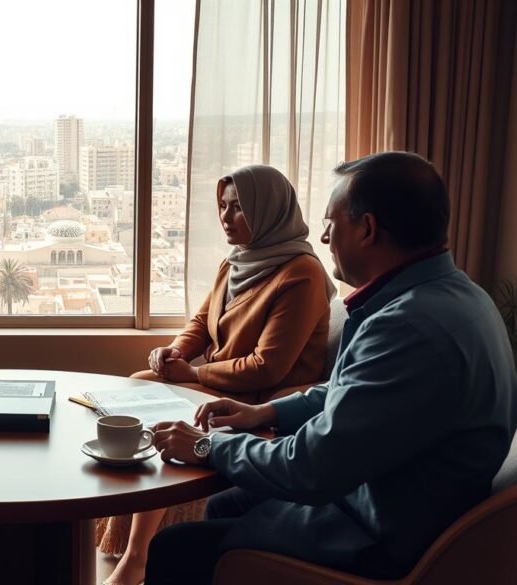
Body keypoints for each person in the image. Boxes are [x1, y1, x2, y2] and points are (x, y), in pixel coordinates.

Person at [144, 152, 517, 584]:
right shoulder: (458, 295)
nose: (322, 237)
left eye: (330, 222)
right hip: (395, 497)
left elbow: (310, 467)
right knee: (229, 504)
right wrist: (267, 414)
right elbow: (357, 389)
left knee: (174, 549)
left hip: (380, 537)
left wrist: (208, 447)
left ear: (367, 229)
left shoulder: (407, 327)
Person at [99, 165, 335, 585]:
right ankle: (126, 541)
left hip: (262, 397)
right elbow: (202, 319)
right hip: (217, 377)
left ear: (269, 212)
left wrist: (193, 370)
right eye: (223, 206)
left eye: (239, 208)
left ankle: (137, 556)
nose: (225, 217)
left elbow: (269, 365)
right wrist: (172, 351)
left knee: (159, 419)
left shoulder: (301, 273)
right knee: (139, 381)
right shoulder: (237, 261)